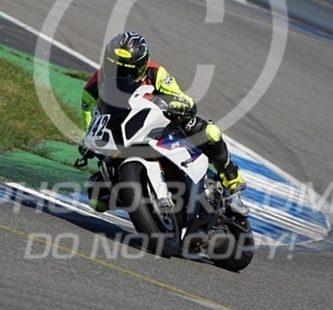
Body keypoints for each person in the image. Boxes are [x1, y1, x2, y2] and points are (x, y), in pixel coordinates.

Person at [80, 31, 246, 212]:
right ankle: (141, 198)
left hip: (161, 124)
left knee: (210, 132)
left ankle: (233, 182)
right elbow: (90, 122)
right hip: (121, 134)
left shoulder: (156, 72)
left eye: (128, 71)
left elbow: (182, 99)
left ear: (142, 66)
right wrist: (87, 143)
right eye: (115, 68)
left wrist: (173, 103)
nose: (121, 75)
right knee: (98, 198)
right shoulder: (93, 87)